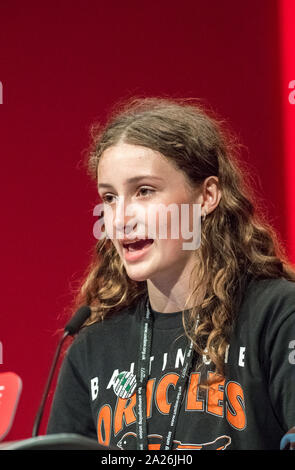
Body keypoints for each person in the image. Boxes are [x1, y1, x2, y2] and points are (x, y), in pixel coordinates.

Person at [46, 96, 295, 450]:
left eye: (144, 191)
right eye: (110, 198)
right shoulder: (92, 347)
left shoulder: (277, 315)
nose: (120, 218)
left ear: (206, 196)